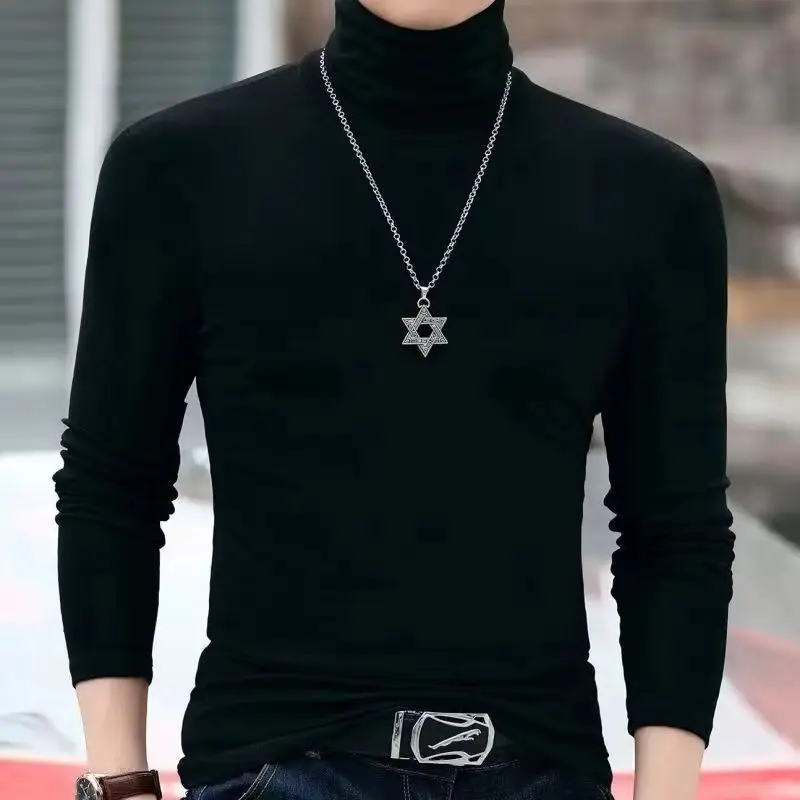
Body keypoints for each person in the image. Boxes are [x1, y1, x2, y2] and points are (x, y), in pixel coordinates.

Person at [54, 1, 736, 799]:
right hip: (271, 767)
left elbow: (675, 529)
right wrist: (120, 784)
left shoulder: (649, 194)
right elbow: (112, 487)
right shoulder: (177, 167)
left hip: (540, 769)